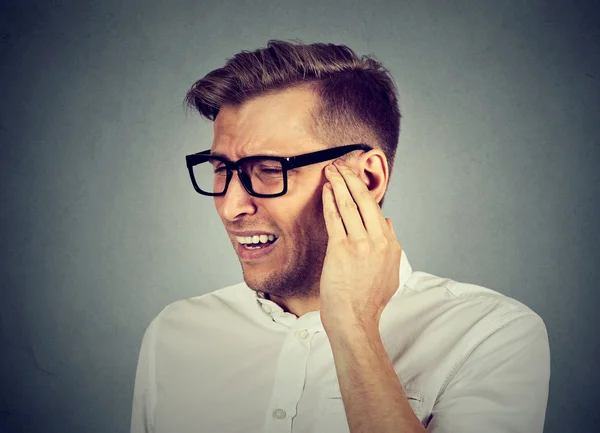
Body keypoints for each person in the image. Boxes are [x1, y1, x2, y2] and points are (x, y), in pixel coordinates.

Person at [130, 39, 550, 433]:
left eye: (270, 169)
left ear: (367, 178)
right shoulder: (174, 334)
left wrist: (353, 326)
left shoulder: (491, 335)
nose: (230, 207)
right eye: (221, 169)